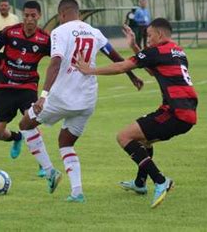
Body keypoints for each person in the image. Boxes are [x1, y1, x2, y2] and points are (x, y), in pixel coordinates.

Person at [18, 0, 143, 203]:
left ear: (61, 15)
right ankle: (77, 192)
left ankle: (49, 171)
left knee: (25, 124)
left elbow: (55, 63)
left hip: (61, 98)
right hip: (86, 100)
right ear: (78, 12)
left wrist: (43, 96)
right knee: (66, 143)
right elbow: (116, 57)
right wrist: (132, 76)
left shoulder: (59, 31)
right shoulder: (94, 32)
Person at [76, 19, 198, 209]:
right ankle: (140, 184)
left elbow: (122, 67)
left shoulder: (156, 51)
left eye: (149, 35)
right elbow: (151, 69)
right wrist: (133, 45)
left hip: (176, 113)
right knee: (143, 141)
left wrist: (89, 70)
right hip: (186, 112)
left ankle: (160, 181)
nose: (147, 39)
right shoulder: (178, 51)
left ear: (160, 34)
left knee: (124, 136)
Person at [0, 0, 49, 176]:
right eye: (27, 15)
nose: (29, 19)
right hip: (6, 87)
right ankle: (17, 138)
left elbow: (57, 61)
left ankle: (43, 163)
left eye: (33, 16)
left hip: (27, 88)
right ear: (23, 15)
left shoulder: (45, 39)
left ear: (39, 16)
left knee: (31, 123)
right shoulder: (10, 32)